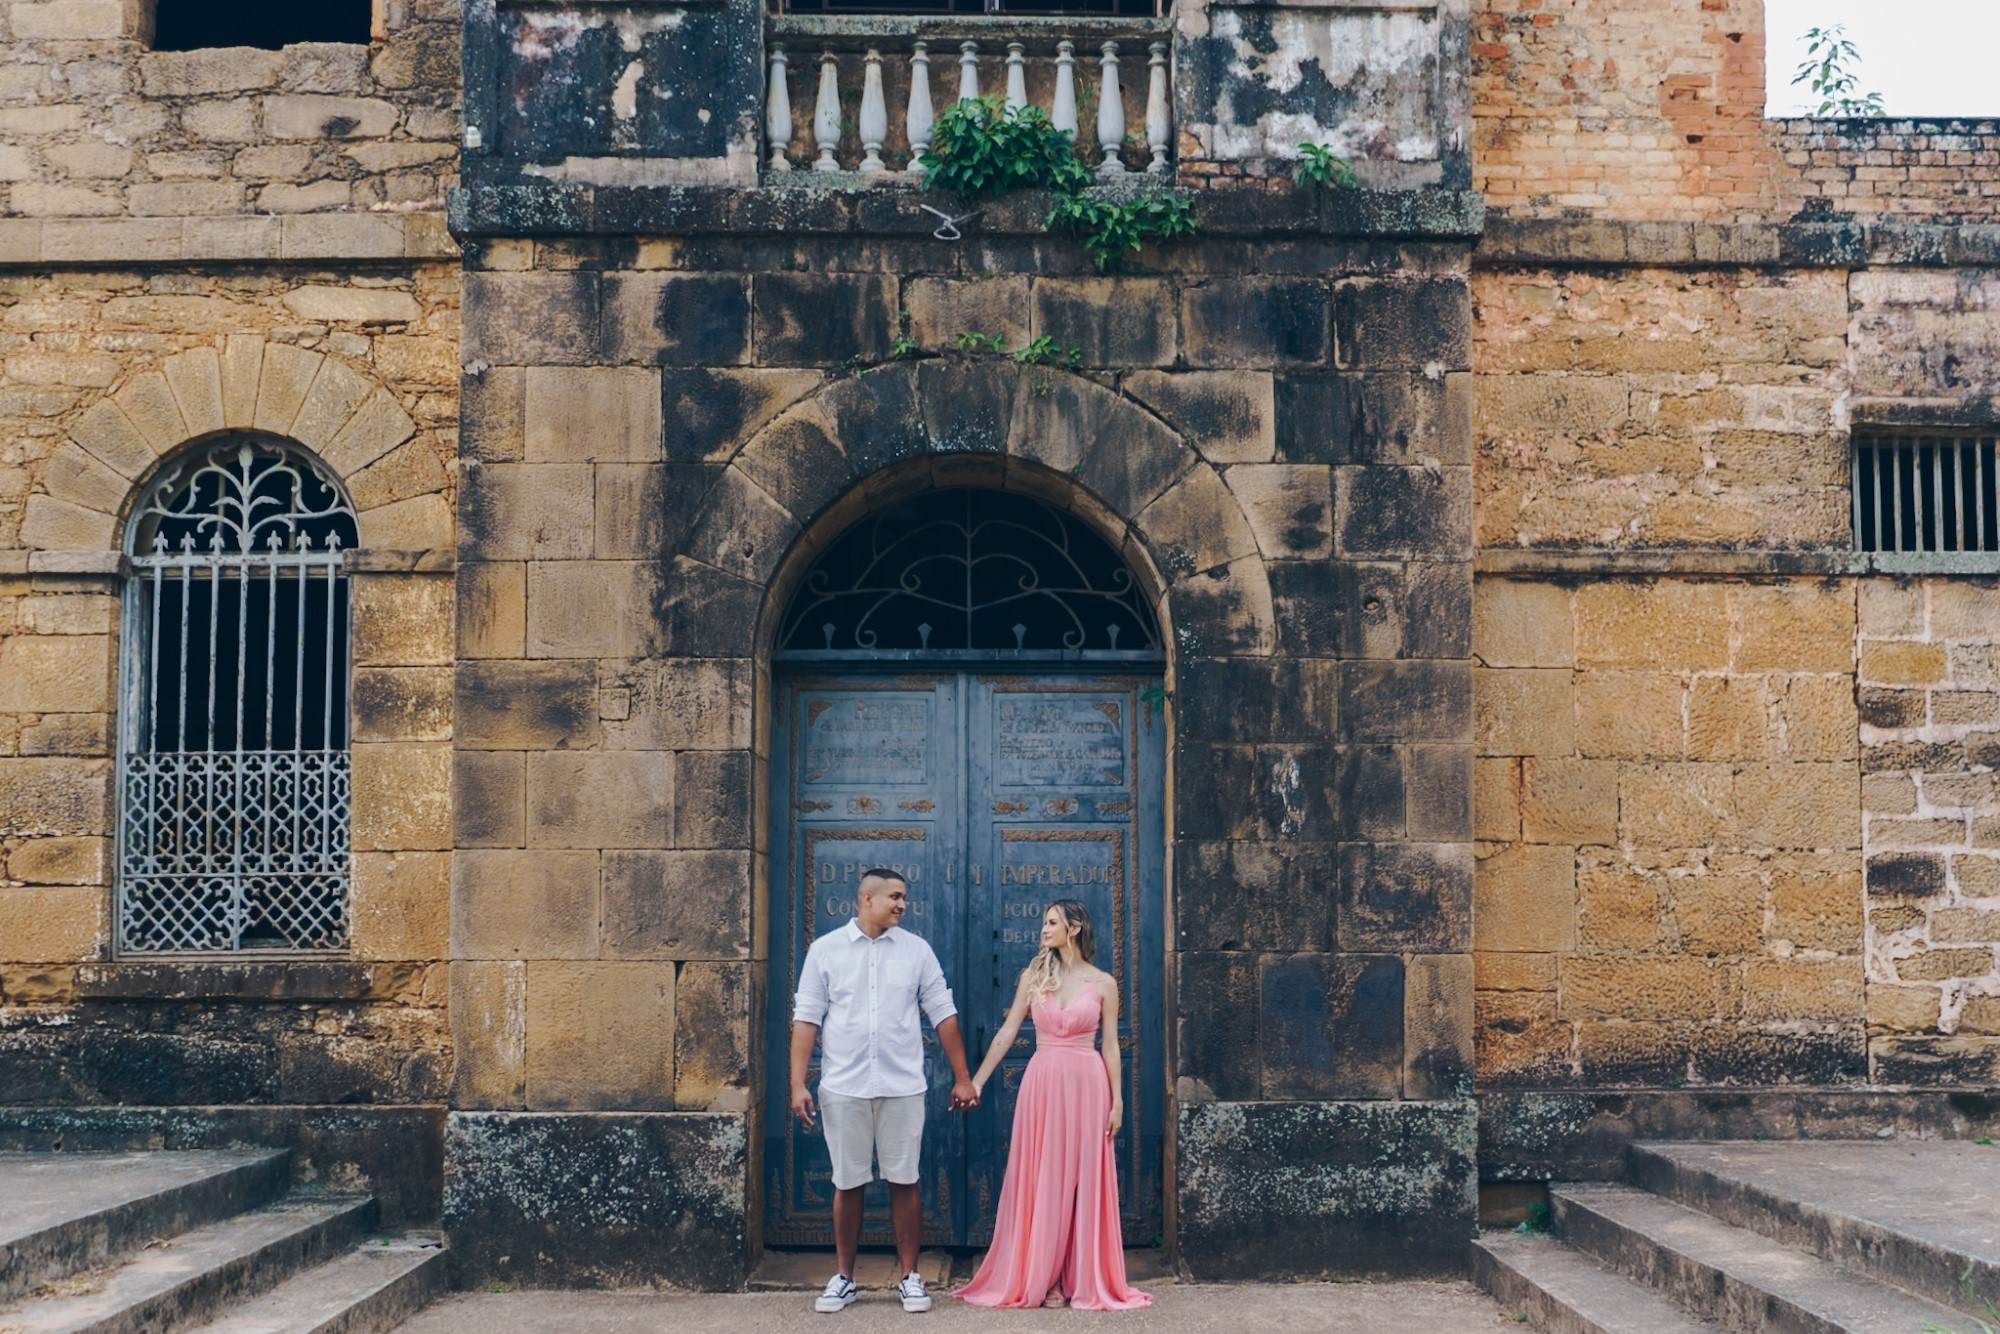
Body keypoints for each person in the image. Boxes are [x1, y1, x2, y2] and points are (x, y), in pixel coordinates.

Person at [791, 867, 979, 1314]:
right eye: (894, 897)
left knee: (904, 1180)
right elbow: (807, 1018)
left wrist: (963, 1076)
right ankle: (845, 1278)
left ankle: (910, 1277)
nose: (901, 905)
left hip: (901, 1086)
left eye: (904, 899)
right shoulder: (825, 952)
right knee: (847, 1182)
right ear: (867, 898)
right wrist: (798, 1083)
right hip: (844, 1085)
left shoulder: (916, 951)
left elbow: (943, 1013)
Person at [954, 899, 1152, 1312]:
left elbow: (1111, 1046)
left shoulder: (1103, 984)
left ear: (1074, 928)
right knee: (1044, 1178)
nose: (1043, 930)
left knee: (1080, 1181)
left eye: (1051, 922)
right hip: (1042, 1084)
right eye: (1044, 922)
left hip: (1087, 1084)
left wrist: (1118, 1102)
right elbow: (1007, 1033)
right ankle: (1042, 1278)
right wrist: (977, 1081)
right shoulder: (1034, 976)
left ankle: (1074, 1278)